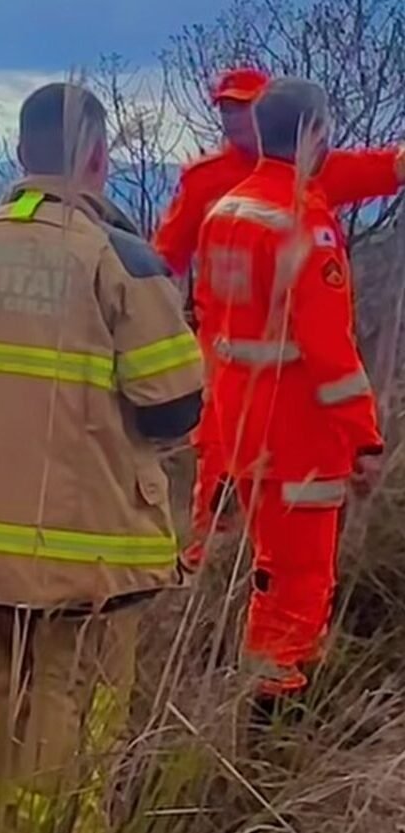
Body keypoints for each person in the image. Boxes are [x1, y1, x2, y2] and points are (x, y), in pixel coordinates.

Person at [0, 82, 203, 830]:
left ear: (18, 154)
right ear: (100, 157)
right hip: (84, 551)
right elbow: (173, 407)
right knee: (70, 702)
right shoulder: (121, 259)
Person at [154, 66, 405, 573]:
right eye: (223, 108)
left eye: (241, 106)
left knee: (285, 508)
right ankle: (206, 585)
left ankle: (261, 607)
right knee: (220, 493)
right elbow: (164, 262)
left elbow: (384, 168)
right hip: (224, 369)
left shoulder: (315, 172)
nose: (232, 118)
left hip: (290, 388)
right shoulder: (205, 180)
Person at [196, 78, 384, 706]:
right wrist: (365, 440)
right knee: (301, 580)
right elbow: (331, 354)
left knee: (273, 570)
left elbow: (214, 321)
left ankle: (272, 688)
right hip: (299, 434)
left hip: (242, 426)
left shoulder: (226, 210)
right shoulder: (305, 223)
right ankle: (276, 716)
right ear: (312, 136)